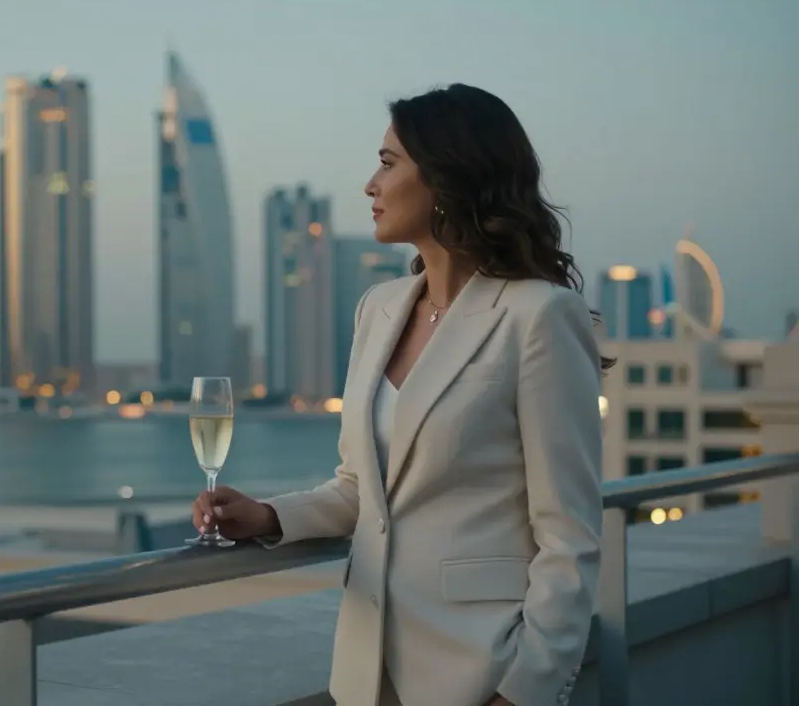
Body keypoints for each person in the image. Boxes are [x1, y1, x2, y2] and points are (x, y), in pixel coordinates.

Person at [192, 84, 606, 706]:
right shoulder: (378, 309)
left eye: (388, 164)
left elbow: (570, 538)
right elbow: (364, 489)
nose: (370, 185)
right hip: (365, 672)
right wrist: (271, 516)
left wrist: (524, 691)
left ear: (447, 175)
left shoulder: (539, 316)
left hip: (482, 669)